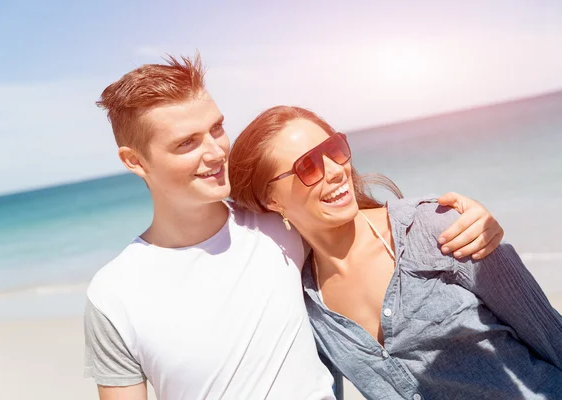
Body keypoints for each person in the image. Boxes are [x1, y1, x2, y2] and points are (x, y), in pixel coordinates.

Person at [83, 55, 504, 400]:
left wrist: (467, 219)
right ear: (134, 161)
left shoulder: (282, 229)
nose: (215, 152)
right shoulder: (114, 294)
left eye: (216, 129)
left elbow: (375, 228)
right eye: (186, 143)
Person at [228, 105, 562, 400]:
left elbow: (550, 335)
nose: (334, 170)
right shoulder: (307, 303)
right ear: (271, 200)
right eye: (308, 166)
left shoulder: (438, 228)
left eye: (333, 149)